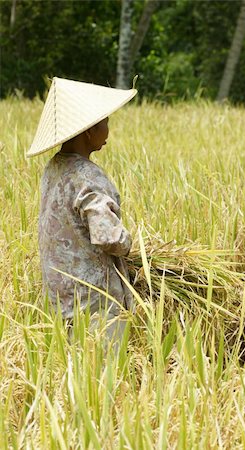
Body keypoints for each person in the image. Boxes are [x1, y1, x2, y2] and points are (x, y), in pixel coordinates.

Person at [27, 77, 137, 346]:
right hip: (96, 306)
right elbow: (108, 236)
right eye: (106, 123)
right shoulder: (88, 177)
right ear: (89, 131)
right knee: (105, 378)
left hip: (61, 300)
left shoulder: (53, 168)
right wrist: (131, 247)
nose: (108, 130)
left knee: (73, 378)